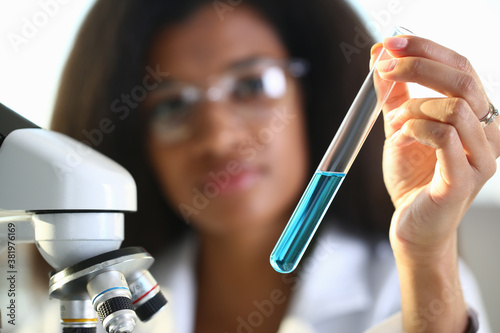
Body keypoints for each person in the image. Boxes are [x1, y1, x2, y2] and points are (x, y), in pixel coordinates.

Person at [35, 0, 497, 332]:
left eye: (252, 84)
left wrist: (426, 253)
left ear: (309, 94)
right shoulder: (83, 291)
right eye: (172, 105)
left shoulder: (409, 281)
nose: (219, 136)